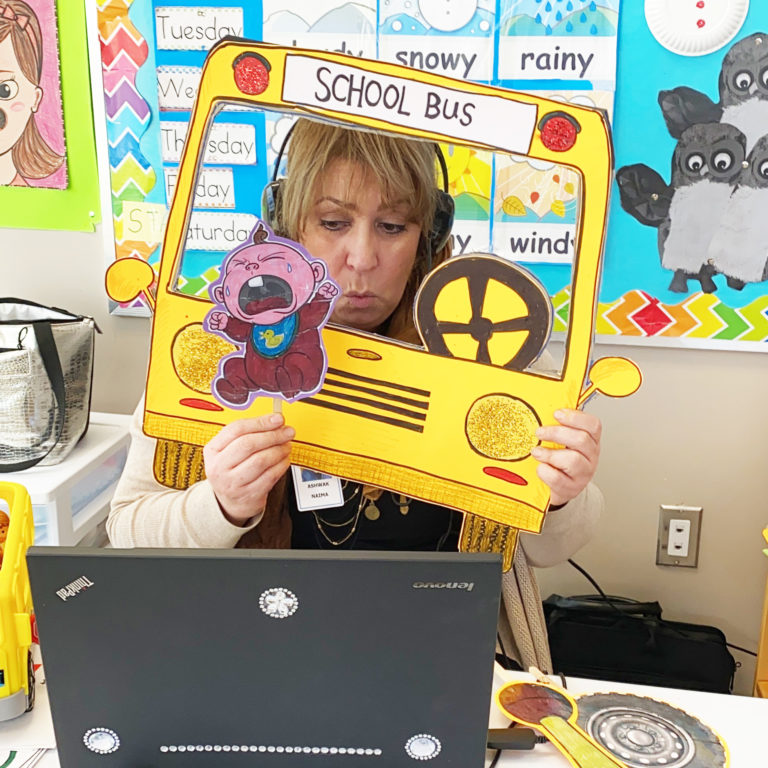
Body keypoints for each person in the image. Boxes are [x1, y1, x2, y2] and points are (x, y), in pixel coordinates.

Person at [109, 119, 603, 672]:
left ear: (429, 236)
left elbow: (549, 548)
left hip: (442, 664)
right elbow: (128, 529)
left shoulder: (487, 357)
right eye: (333, 222)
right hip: (261, 661)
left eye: (392, 225)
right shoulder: (220, 350)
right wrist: (221, 505)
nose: (362, 257)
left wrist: (561, 494)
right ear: (288, 224)